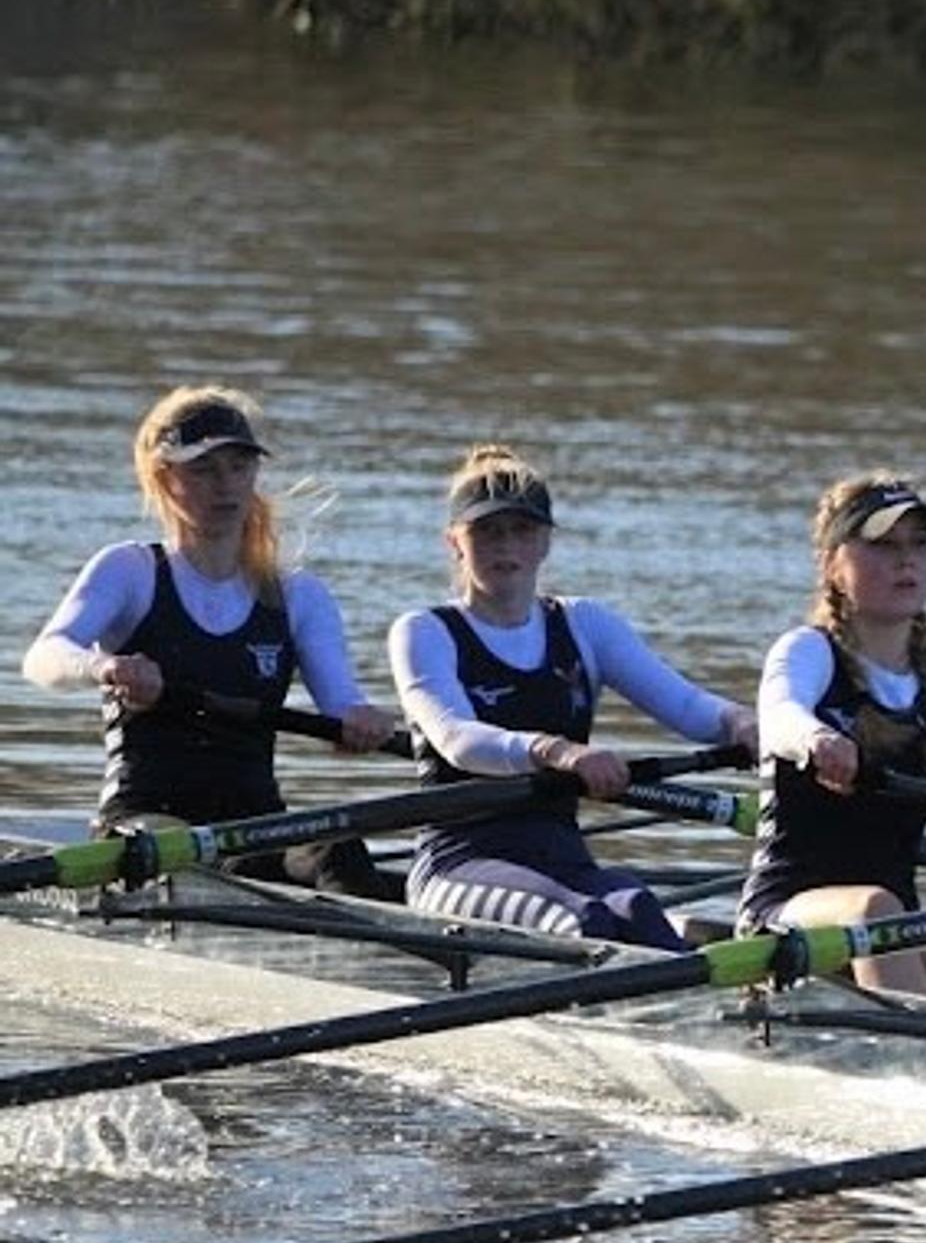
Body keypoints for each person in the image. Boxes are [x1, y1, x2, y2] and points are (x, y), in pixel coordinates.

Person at [23, 385, 403, 898]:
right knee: (192, 859)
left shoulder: (298, 595)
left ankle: (377, 966)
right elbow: (44, 658)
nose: (225, 486)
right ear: (164, 479)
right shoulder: (130, 570)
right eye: (203, 470)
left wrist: (360, 721)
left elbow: (341, 704)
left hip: (257, 825)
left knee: (338, 844)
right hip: (147, 824)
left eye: (239, 468)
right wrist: (105, 668)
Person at [386, 442, 756, 947]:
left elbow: (688, 707)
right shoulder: (424, 631)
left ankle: (683, 1025)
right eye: (487, 531)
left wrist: (742, 723)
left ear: (545, 543)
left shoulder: (584, 624)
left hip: (563, 857)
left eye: (522, 530)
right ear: (455, 541)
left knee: (636, 906)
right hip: (458, 862)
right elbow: (457, 740)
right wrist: (556, 750)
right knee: (583, 922)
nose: (505, 546)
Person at [738, 472, 926, 1002]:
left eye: (918, 545)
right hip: (785, 918)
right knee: (874, 909)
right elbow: (780, 715)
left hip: (893, 936)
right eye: (883, 546)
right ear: (832, 566)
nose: (906, 560)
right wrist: (817, 740)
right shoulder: (807, 652)